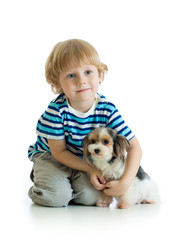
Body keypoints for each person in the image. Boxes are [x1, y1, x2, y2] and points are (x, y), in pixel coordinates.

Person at [28, 39, 142, 207]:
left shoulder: (107, 109)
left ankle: (66, 185)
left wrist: (125, 182)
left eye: (88, 72)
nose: (81, 81)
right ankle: (44, 183)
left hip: (82, 160)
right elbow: (59, 152)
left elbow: (135, 147)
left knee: (90, 198)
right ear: (57, 83)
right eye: (71, 75)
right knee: (56, 198)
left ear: (100, 75)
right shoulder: (56, 111)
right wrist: (90, 169)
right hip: (51, 157)